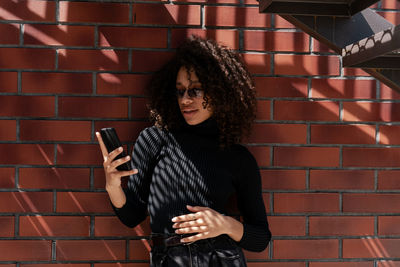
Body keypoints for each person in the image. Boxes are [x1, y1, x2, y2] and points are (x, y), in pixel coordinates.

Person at [96, 35, 271, 267]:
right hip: (169, 259)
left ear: (220, 94)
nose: (185, 100)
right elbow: (132, 216)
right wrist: (113, 185)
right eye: (180, 91)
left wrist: (225, 224)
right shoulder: (154, 139)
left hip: (220, 259)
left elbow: (260, 239)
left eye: (195, 91)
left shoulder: (237, 157)